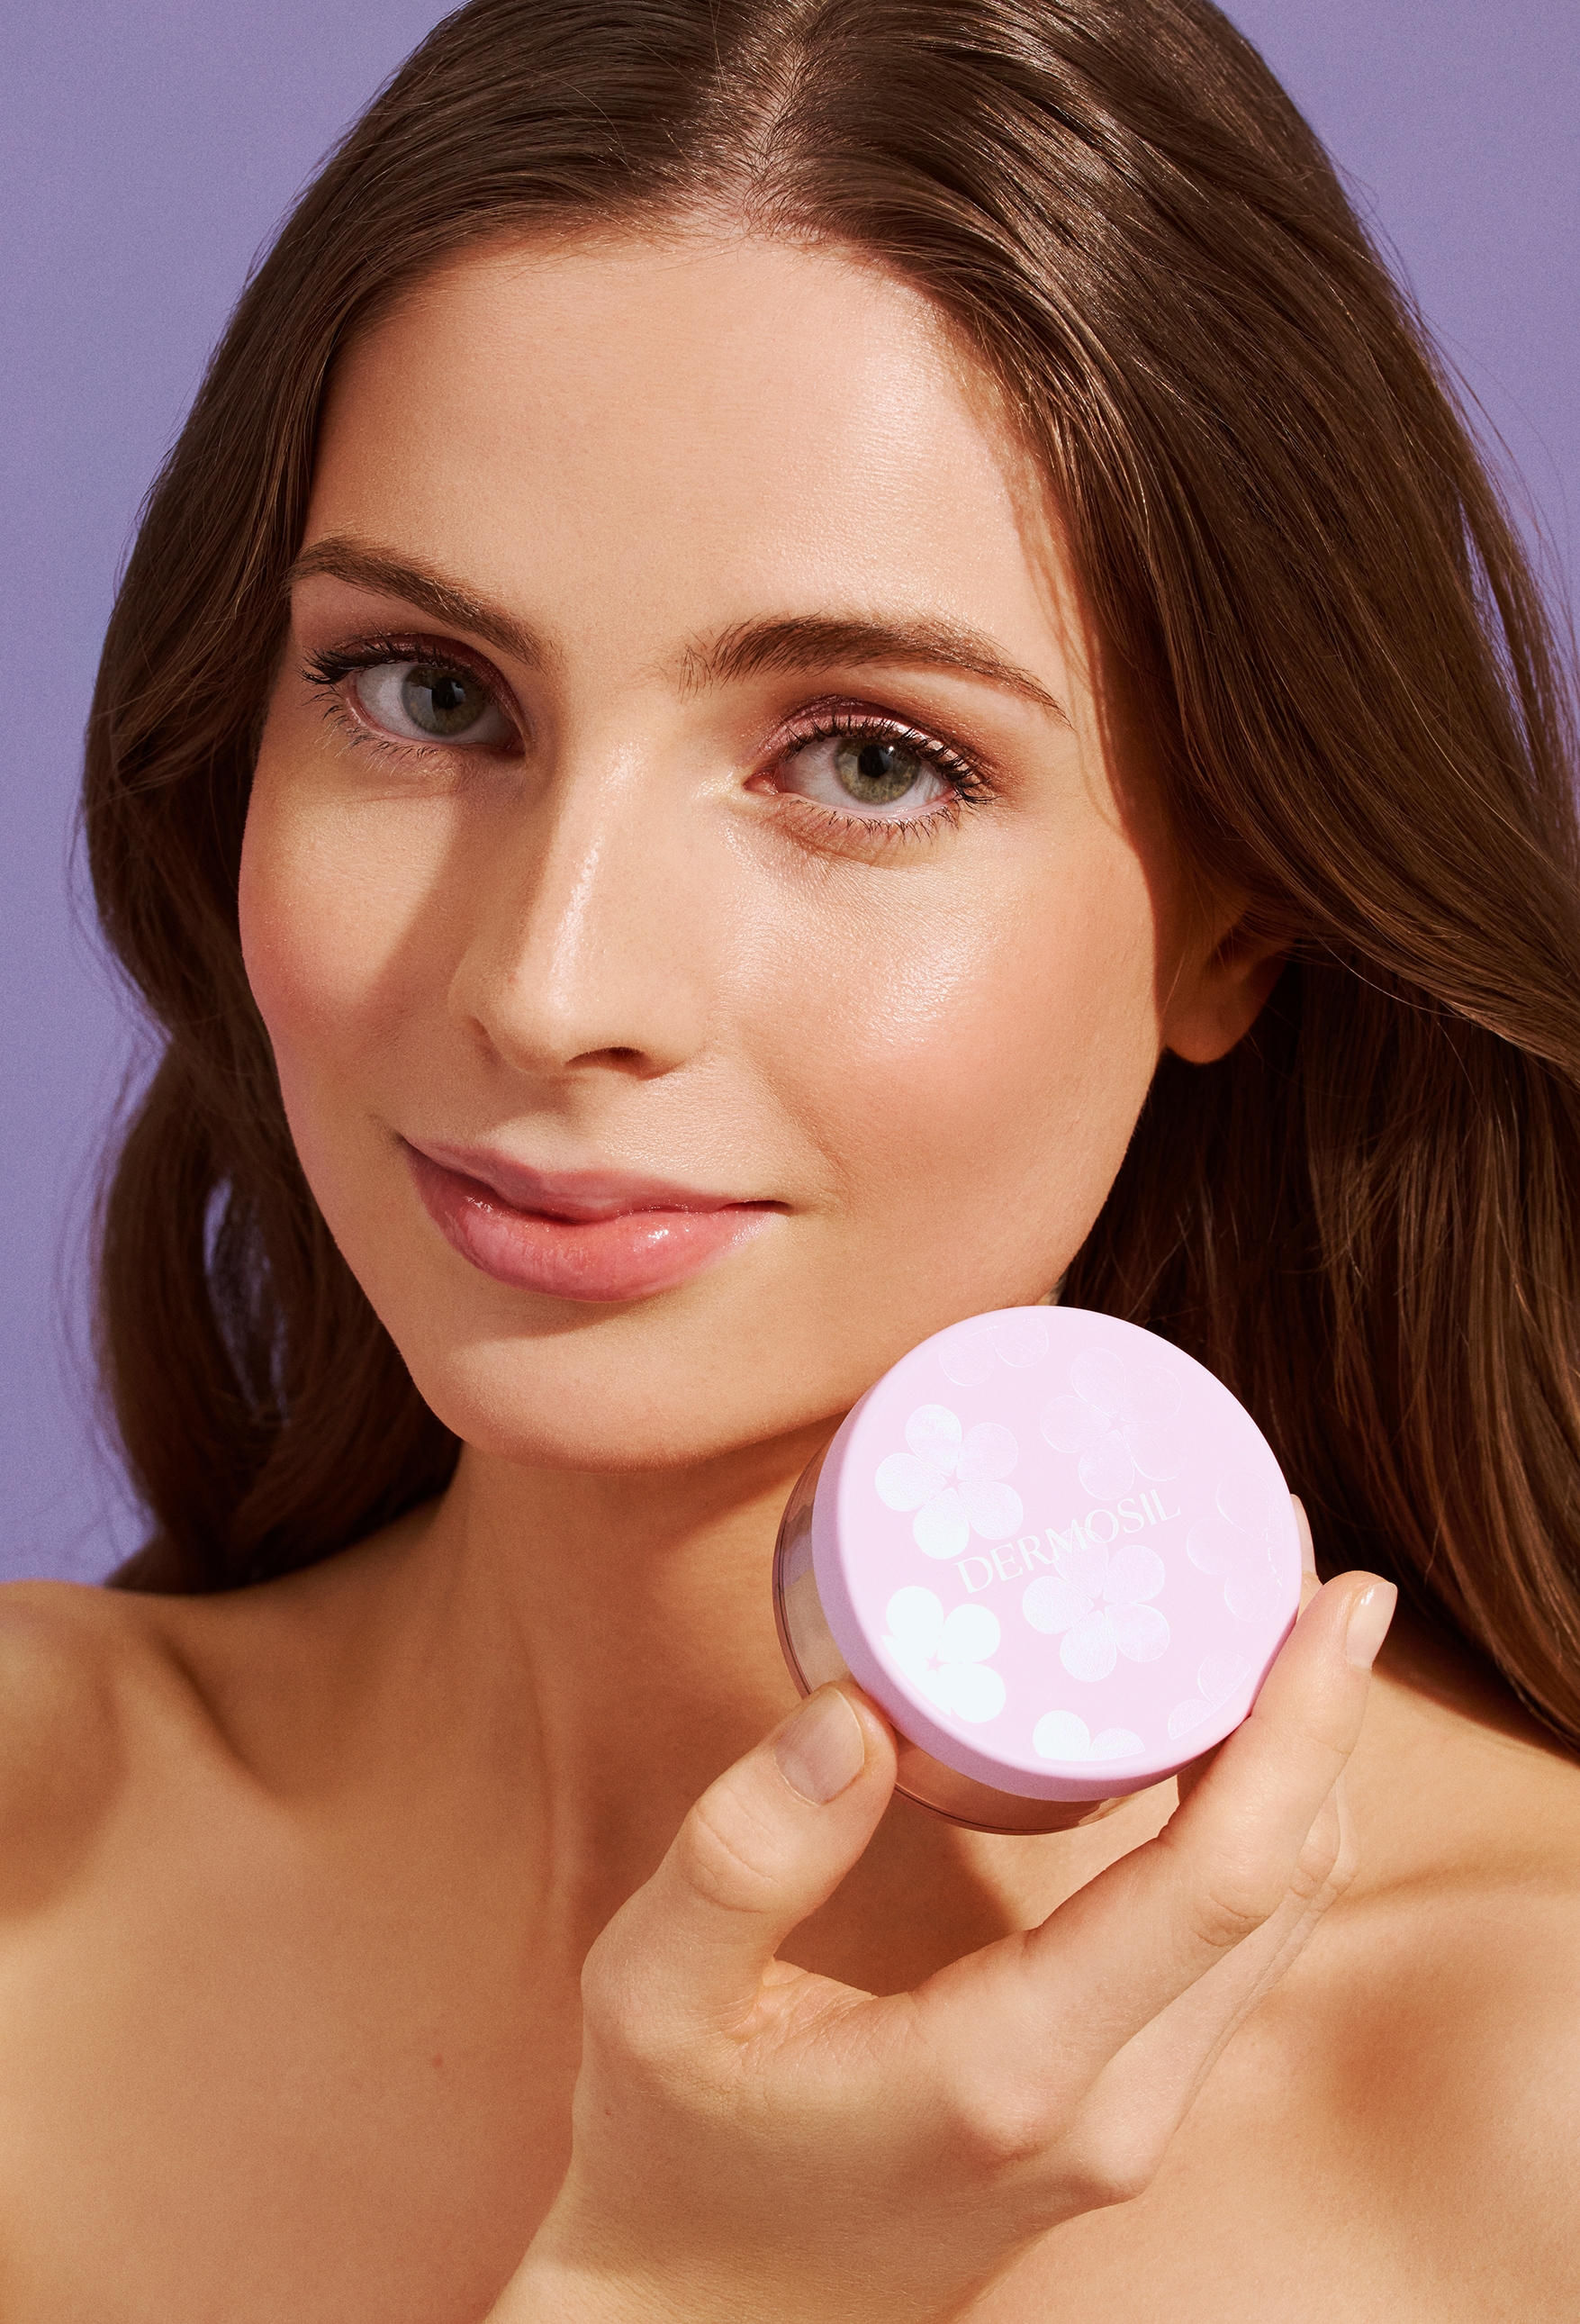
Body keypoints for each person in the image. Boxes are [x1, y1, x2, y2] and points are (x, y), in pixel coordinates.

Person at [6, 0, 1576, 2314]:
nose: (546, 982)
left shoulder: (1521, 2105)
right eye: (428, 692)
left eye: (863, 760)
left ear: (1231, 916)